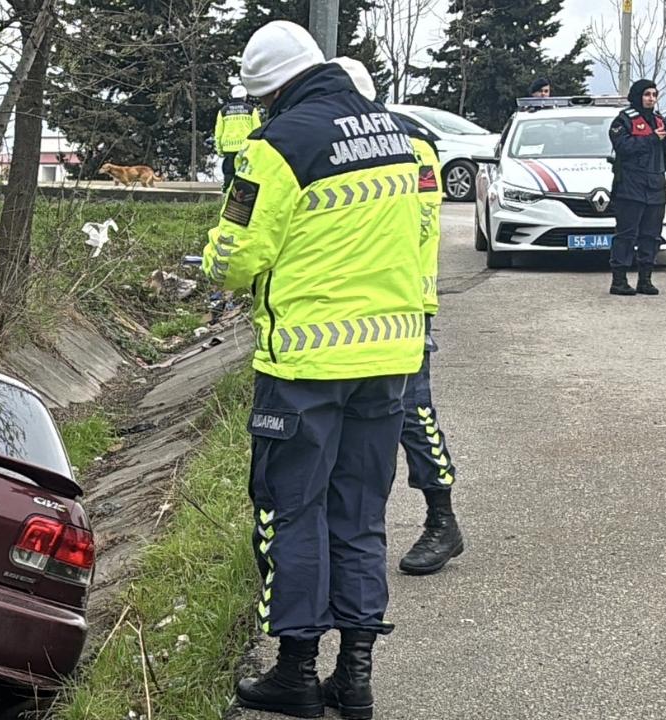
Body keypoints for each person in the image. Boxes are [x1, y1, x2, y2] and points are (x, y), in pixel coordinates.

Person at [204, 21, 425, 719]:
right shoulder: (393, 135)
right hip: (389, 359)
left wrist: (211, 258)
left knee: (291, 510)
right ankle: (354, 681)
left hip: (306, 366)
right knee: (359, 515)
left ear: (267, 91)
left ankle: (296, 673)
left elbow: (236, 260)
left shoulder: (279, 146)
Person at [333, 56, 466, 581]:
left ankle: (442, 519)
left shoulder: (411, 144)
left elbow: (422, 224)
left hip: (402, 300)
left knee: (412, 410)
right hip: (347, 305)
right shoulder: (334, 138)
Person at [608, 79, 666, 296]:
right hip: (630, 185)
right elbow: (623, 147)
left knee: (651, 235)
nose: (651, 99)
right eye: (647, 94)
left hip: (656, 185)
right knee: (626, 235)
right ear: (638, 96)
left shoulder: (659, 120)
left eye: (654, 95)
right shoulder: (624, 120)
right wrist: (651, 138)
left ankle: (645, 279)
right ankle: (619, 280)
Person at [215, 84, 263, 192]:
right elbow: (257, 130)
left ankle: (226, 194)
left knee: (229, 173)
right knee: (245, 174)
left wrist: (219, 150)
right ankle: (245, 198)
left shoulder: (223, 111)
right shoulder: (251, 110)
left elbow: (218, 133)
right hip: (246, 149)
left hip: (228, 149)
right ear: (244, 97)